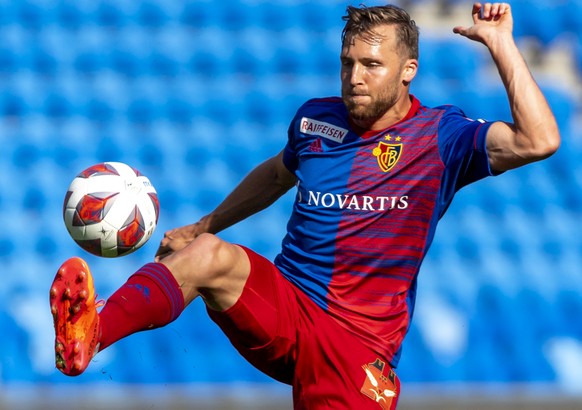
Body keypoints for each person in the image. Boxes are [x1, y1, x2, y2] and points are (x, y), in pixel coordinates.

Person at [50, 3, 560, 409]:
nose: (355, 77)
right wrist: (203, 224)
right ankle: (92, 333)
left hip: (356, 344)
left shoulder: (441, 137)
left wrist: (500, 44)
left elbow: (539, 140)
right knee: (208, 253)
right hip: (287, 305)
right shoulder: (316, 120)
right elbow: (277, 173)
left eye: (371, 65)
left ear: (408, 71)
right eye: (348, 63)